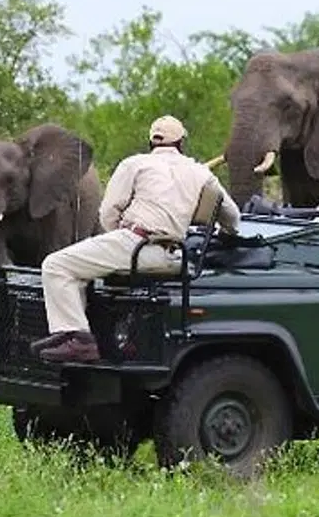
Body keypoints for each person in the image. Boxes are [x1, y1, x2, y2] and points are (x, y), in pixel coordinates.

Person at [34, 115, 241, 363]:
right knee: (78, 271)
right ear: (181, 143)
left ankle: (80, 340)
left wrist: (119, 234)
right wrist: (225, 234)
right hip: (174, 256)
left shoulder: (135, 164)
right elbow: (233, 218)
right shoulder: (201, 173)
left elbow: (108, 212)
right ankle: (70, 334)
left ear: (151, 143)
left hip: (135, 244)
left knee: (56, 265)